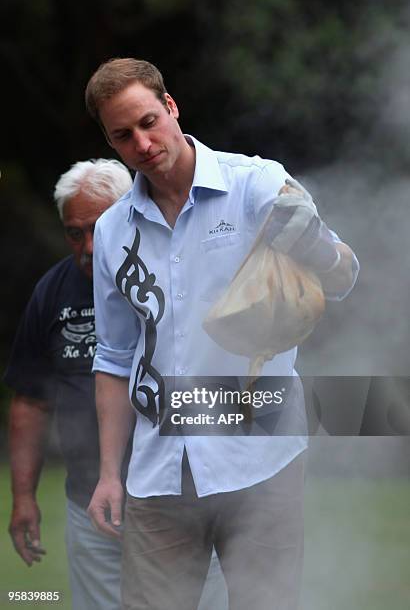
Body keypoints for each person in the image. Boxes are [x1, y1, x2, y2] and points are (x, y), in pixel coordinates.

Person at [85, 58, 359, 610]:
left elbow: (344, 275)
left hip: (260, 456)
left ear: (171, 107)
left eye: (147, 121)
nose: (142, 142)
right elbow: (114, 357)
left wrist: (314, 249)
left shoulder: (254, 182)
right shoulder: (112, 229)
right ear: (110, 142)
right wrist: (108, 474)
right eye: (123, 135)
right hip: (159, 469)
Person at [5, 158, 227, 610]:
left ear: (129, 213)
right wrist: (23, 497)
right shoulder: (52, 293)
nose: (88, 246)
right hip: (92, 507)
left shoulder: (182, 280)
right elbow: (30, 401)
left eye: (99, 227)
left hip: (184, 502)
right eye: (74, 232)